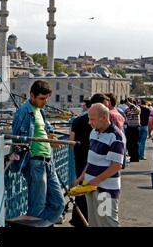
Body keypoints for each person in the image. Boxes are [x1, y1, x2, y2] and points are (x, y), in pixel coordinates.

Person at [11, 80, 65, 224]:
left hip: (48, 161)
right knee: (37, 207)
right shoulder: (23, 111)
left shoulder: (40, 111)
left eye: (47, 98)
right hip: (35, 163)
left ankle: (33, 224)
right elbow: (17, 138)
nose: (45, 102)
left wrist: (49, 138)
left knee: (58, 204)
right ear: (32, 95)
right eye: (42, 98)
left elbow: (40, 133)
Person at [75, 103, 125, 227]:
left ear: (103, 117)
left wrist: (96, 180)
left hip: (105, 190)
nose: (89, 122)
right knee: (94, 221)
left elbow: (117, 165)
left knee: (107, 221)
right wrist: (83, 176)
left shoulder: (116, 136)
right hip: (91, 185)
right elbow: (92, 159)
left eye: (92, 119)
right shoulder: (94, 132)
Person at [68, 97, 92, 227]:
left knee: (80, 192)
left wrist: (77, 153)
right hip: (92, 161)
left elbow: (72, 141)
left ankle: (77, 220)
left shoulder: (77, 121)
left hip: (80, 159)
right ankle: (88, 219)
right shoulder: (97, 122)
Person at [124, 97, 141, 162]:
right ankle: (131, 156)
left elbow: (138, 111)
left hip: (136, 126)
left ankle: (136, 157)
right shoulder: (127, 109)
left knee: (135, 142)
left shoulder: (137, 108)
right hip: (129, 126)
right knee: (129, 142)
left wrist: (131, 104)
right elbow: (125, 114)